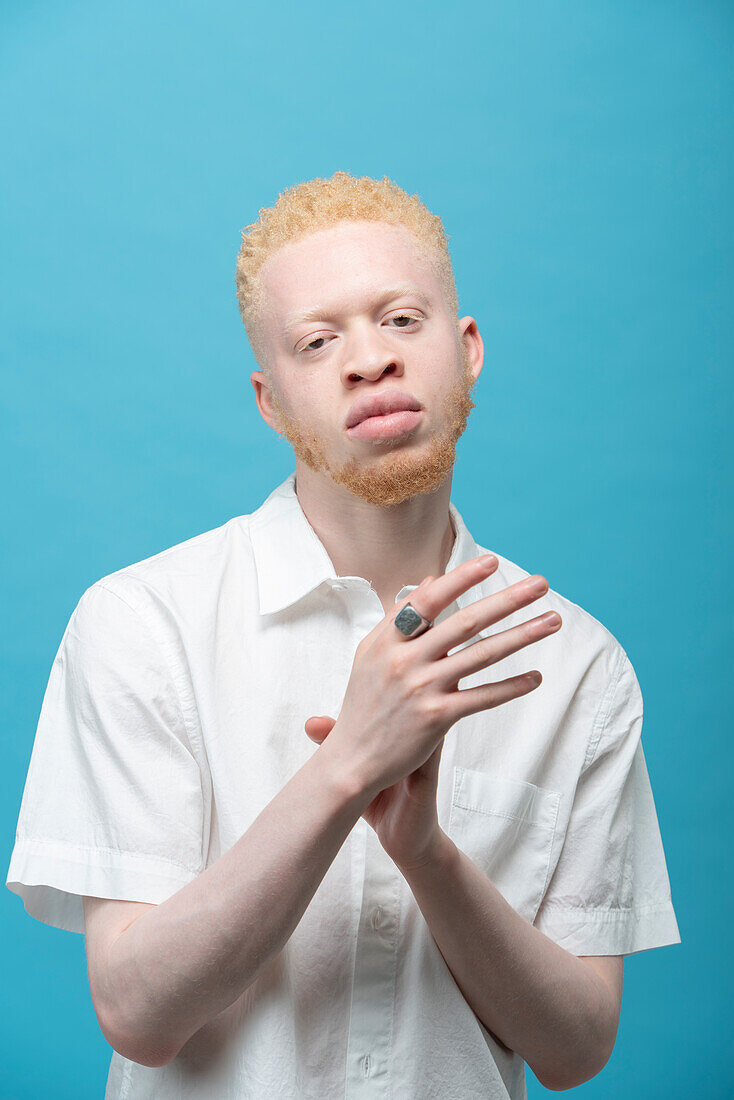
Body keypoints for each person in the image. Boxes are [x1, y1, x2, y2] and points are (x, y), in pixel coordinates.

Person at [6, 170, 681, 1099]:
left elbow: (577, 1049)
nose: (368, 361)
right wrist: (344, 771)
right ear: (269, 400)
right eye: (318, 342)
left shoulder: (577, 664)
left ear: (468, 346)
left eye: (402, 320)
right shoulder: (141, 621)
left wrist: (428, 853)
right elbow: (137, 1013)